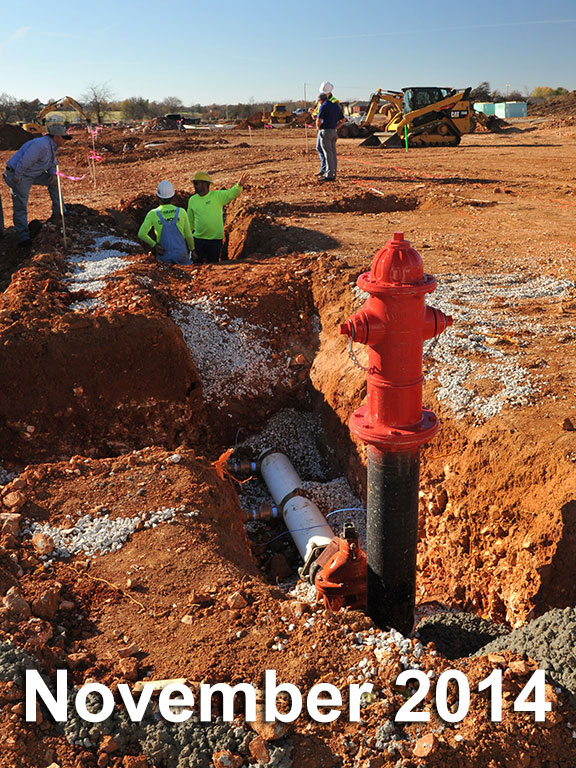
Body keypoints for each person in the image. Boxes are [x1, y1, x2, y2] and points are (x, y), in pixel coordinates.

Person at [3, 123, 72, 247]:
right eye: (64, 138)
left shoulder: (52, 146)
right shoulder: (41, 145)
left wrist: (52, 174)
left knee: (54, 182)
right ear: (56, 137)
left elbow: (52, 162)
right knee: (21, 204)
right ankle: (23, 236)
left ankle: (60, 212)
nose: (65, 140)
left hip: (31, 173)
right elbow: (25, 161)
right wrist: (17, 177)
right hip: (18, 174)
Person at [187, 171, 248, 263]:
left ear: (204, 184)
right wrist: (188, 240)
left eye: (196, 183)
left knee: (214, 264)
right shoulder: (192, 200)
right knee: (197, 264)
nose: (194, 186)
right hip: (198, 240)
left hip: (215, 241)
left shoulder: (217, 196)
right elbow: (189, 221)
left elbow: (231, 194)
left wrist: (239, 185)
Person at [138, 180, 194, 265]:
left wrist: (155, 245)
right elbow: (188, 235)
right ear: (173, 196)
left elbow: (141, 234)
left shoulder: (153, 214)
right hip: (181, 255)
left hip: (164, 256)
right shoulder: (181, 212)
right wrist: (192, 249)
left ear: (157, 196)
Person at [313, 81, 342, 178]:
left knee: (328, 152)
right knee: (322, 149)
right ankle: (325, 169)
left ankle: (329, 172)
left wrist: (318, 125)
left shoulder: (334, 101)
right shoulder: (323, 102)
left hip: (326, 128)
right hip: (328, 128)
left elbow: (323, 116)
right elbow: (318, 112)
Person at [316, 92, 345, 182]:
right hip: (333, 132)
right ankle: (333, 173)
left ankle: (329, 175)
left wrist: (318, 128)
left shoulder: (323, 106)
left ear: (320, 100)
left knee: (327, 153)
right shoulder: (336, 106)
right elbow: (343, 120)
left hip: (325, 131)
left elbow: (319, 120)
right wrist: (336, 127)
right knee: (332, 153)